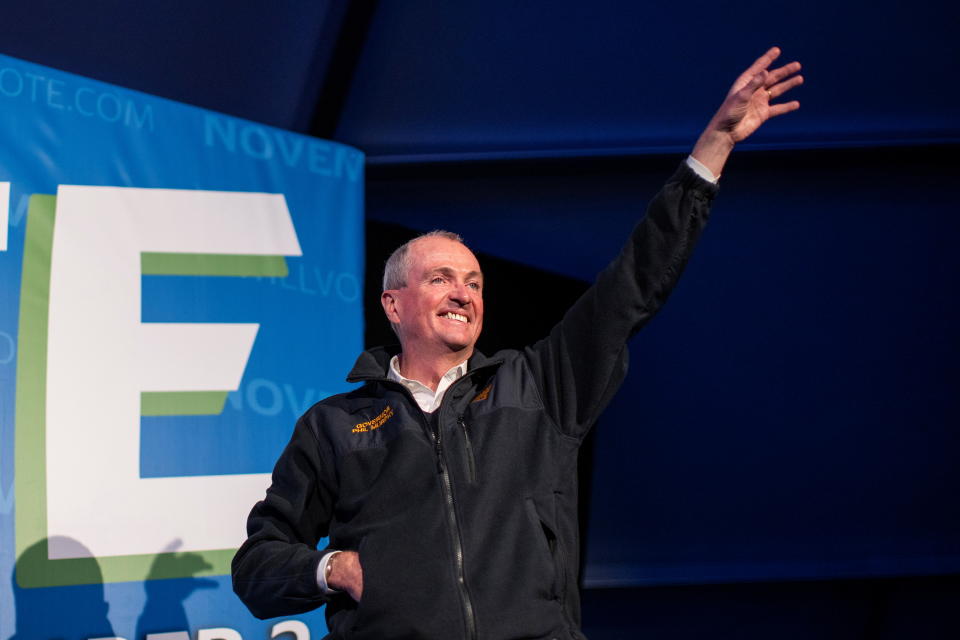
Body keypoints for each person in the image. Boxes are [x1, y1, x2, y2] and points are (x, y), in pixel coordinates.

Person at [232, 47, 803, 639]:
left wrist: (712, 150)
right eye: (441, 279)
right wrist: (335, 568)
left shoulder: (536, 388)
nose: (463, 293)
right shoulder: (333, 427)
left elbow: (633, 284)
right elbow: (256, 568)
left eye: (474, 283)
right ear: (394, 305)